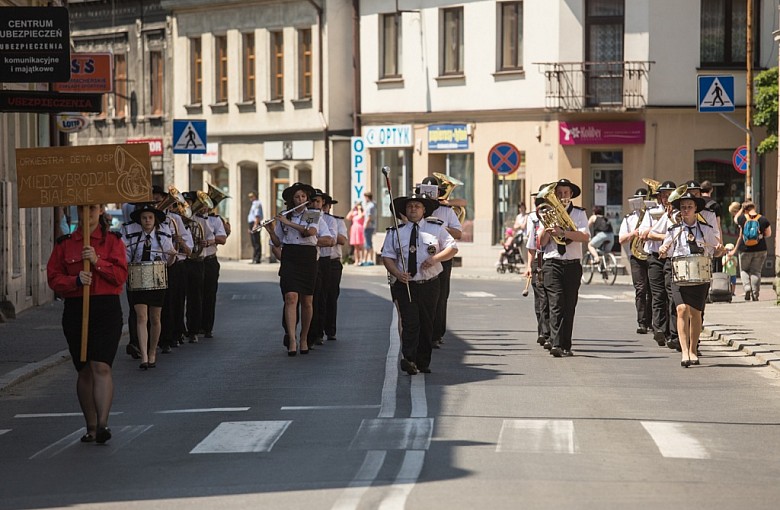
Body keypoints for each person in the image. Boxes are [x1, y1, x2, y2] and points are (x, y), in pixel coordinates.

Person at [47, 204, 128, 444]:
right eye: (82, 209)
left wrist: (97, 261)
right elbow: (53, 278)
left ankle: (103, 424)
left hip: (106, 308)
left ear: (101, 210)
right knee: (84, 369)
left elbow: (120, 276)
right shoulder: (65, 244)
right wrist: (74, 280)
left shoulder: (112, 241)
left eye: (92, 208)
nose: (87, 213)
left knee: (101, 366)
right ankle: (91, 426)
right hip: (76, 310)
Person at [382, 192, 458, 375]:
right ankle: (408, 358)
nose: (413, 209)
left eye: (417, 206)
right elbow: (387, 257)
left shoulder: (436, 229)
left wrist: (435, 259)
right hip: (406, 284)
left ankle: (423, 361)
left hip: (430, 283)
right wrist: (397, 273)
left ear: (424, 210)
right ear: (405, 211)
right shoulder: (396, 233)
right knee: (410, 322)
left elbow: (452, 248)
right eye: (409, 207)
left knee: (426, 323)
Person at [265, 182, 333, 355]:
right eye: (297, 197)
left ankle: (304, 338)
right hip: (290, 256)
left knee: (307, 301)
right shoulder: (284, 217)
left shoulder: (312, 214)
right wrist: (271, 230)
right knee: (290, 297)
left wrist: (288, 222)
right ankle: (293, 339)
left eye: (303, 196)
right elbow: (278, 242)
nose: (300, 199)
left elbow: (309, 232)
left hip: (307, 256)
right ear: (292, 199)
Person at [659, 192, 721, 367]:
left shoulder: (706, 229)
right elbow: (667, 251)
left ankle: (693, 349)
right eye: (683, 207)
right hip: (679, 275)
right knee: (681, 310)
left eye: (689, 207)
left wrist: (720, 249)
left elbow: (715, 251)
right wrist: (663, 249)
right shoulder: (674, 230)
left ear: (695, 210)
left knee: (695, 314)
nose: (686, 210)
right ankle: (684, 351)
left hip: (700, 275)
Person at [537, 179, 590, 357]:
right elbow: (541, 243)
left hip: (573, 264)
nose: (561, 196)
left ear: (571, 195)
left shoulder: (579, 214)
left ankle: (566, 344)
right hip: (553, 263)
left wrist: (563, 233)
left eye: (565, 193)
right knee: (556, 303)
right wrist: (546, 228)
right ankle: (555, 343)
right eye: (558, 193)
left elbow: (584, 237)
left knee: (569, 306)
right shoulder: (547, 214)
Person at [124, 203, 176, 369]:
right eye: (144, 218)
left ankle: (153, 351)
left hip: (157, 280)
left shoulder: (163, 234)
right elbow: (126, 257)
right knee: (141, 317)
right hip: (138, 280)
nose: (147, 221)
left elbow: (169, 260)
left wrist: (172, 256)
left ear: (155, 220)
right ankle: (144, 356)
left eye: (150, 218)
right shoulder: (132, 236)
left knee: (155, 318)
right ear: (140, 220)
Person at [419, 175, 463, 349]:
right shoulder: (416, 208)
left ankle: (436, 333)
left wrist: (440, 228)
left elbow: (458, 234)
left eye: (433, 193)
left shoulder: (446, 211)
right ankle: (423, 331)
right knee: (422, 295)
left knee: (441, 296)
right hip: (422, 258)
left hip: (442, 257)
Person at [639, 180, 678, 350]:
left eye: (669, 194)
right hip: (654, 257)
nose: (666, 198)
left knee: (671, 294)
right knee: (657, 294)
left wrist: (656, 234)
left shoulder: (679, 212)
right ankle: (659, 329)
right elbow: (643, 233)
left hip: (671, 257)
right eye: (663, 195)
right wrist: (665, 237)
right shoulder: (652, 211)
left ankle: (672, 331)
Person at [618, 188, 654, 336]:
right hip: (636, 256)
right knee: (640, 289)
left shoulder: (653, 215)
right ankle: (642, 322)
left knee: (653, 290)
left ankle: (652, 321)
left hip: (651, 254)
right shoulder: (629, 218)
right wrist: (633, 233)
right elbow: (621, 239)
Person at [730, 200, 772, 301]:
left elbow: (735, 219)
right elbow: (768, 234)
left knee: (744, 270)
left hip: (745, 249)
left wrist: (741, 209)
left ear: (745, 209)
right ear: (754, 207)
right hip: (761, 249)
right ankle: (755, 294)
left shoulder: (742, 218)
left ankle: (747, 287)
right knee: (756, 271)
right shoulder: (763, 219)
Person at [525, 187, 550, 348]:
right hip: (538, 259)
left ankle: (547, 332)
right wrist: (528, 265)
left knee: (548, 297)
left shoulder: (554, 216)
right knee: (539, 297)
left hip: (551, 258)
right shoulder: (532, 218)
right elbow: (531, 244)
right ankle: (542, 330)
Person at [323, 194, 348, 341]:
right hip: (319, 261)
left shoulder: (336, 221)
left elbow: (342, 240)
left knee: (332, 296)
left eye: (326, 206)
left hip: (333, 262)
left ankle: (330, 329)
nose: (324, 208)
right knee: (318, 297)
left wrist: (328, 229)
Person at [202, 204, 228, 338]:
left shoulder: (215, 220)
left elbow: (222, 239)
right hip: (195, 261)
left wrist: (211, 240)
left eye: (206, 205)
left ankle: (207, 327)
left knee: (209, 295)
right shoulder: (191, 219)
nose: (204, 208)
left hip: (210, 260)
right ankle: (193, 327)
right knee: (194, 295)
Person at [247, 192, 264, 264]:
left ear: (255, 196)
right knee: (253, 242)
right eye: (249, 197)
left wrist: (255, 225)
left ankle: (257, 258)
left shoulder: (257, 203)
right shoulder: (254, 204)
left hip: (255, 223)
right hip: (252, 223)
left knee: (256, 241)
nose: (250, 198)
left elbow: (257, 216)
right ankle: (254, 258)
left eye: (251, 196)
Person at [362, 192, 376, 266]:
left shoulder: (371, 206)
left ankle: (370, 259)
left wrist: (365, 225)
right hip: (369, 225)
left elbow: (369, 217)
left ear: (368, 197)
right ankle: (366, 259)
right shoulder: (369, 205)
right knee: (367, 242)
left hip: (369, 226)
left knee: (368, 242)